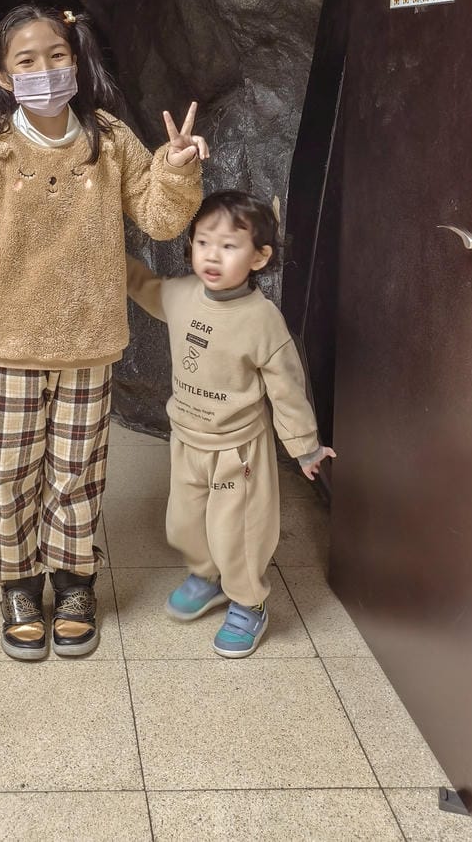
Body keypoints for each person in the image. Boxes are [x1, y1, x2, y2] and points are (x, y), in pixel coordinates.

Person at [0, 3, 206, 661]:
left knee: (77, 472)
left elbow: (160, 218)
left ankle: (74, 582)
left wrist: (176, 167)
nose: (46, 70)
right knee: (11, 473)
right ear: (1, 74)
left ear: (76, 59)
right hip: (10, 348)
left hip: (88, 342)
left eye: (57, 55)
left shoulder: (107, 138)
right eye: (27, 61)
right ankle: (18, 586)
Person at [126, 189, 335, 657]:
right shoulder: (181, 295)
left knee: (236, 531)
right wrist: (106, 257)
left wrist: (305, 446)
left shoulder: (262, 320)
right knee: (184, 523)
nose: (212, 255)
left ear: (259, 257)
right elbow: (142, 284)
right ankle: (207, 577)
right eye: (203, 242)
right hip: (187, 439)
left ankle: (248, 601)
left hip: (236, 450)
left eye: (228, 245)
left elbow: (287, 388)